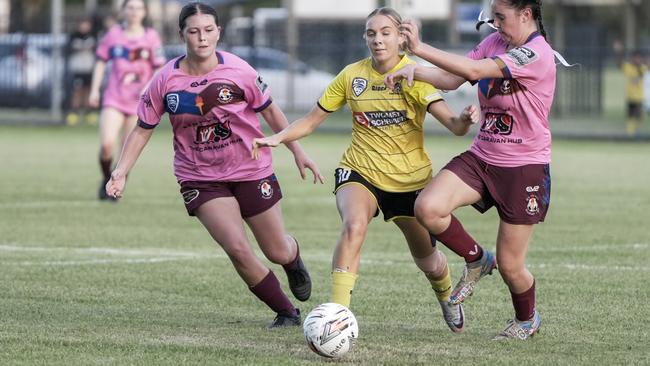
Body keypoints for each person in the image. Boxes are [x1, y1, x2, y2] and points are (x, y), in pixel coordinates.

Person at [253, 7, 479, 333]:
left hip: (410, 181)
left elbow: (454, 127)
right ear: (365, 37)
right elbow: (312, 120)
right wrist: (279, 137)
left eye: (385, 32)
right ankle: (337, 317)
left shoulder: (415, 74)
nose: (378, 39)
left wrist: (465, 120)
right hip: (359, 171)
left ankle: (446, 296)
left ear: (401, 37)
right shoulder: (351, 76)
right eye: (371, 33)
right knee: (353, 225)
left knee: (427, 258)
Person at [105, 2, 322, 329]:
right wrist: (120, 171)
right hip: (200, 178)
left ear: (218, 32)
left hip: (251, 168)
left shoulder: (240, 71)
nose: (202, 38)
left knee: (276, 250)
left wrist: (296, 150)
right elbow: (141, 130)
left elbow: (271, 112)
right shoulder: (165, 80)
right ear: (182, 35)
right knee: (237, 248)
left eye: (208, 31)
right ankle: (287, 312)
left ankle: (292, 261)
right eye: (193, 31)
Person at [385, 0, 555, 340]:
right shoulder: (495, 41)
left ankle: (527, 319)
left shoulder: (537, 54)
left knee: (511, 266)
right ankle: (477, 259)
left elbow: (475, 72)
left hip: (523, 168)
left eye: (501, 17)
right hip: (482, 156)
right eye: (493, 16)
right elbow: (452, 78)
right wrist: (413, 69)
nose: (495, 23)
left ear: (526, 15)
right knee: (427, 208)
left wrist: (418, 49)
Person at [89, 0, 166, 201]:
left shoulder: (151, 37)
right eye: (130, 7)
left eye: (138, 8)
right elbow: (100, 61)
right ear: (123, 11)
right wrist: (94, 90)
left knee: (126, 150)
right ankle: (107, 178)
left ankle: (116, 185)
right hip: (114, 98)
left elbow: (159, 67)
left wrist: (148, 86)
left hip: (138, 102)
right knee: (106, 145)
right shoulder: (113, 34)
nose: (134, 12)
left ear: (144, 12)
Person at [65, 17, 96, 126]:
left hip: (89, 68)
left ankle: (89, 113)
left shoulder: (92, 36)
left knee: (87, 91)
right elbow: (68, 50)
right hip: (77, 69)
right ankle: (74, 113)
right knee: (77, 91)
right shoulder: (73, 36)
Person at [621, 50, 648, 137]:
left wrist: (640, 65)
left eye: (639, 58)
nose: (637, 60)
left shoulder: (643, 68)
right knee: (630, 116)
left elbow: (641, 74)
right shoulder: (628, 67)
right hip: (630, 96)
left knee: (638, 116)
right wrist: (619, 52)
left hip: (639, 96)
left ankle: (635, 132)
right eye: (635, 58)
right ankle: (630, 133)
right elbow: (620, 64)